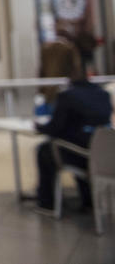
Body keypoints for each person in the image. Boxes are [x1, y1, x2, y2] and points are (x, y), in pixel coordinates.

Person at [33, 43, 113, 215]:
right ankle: (88, 201)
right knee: (79, 146)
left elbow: (54, 128)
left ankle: (47, 203)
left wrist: (39, 126)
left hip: (81, 154)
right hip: (104, 155)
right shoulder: (103, 95)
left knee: (46, 150)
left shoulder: (67, 96)